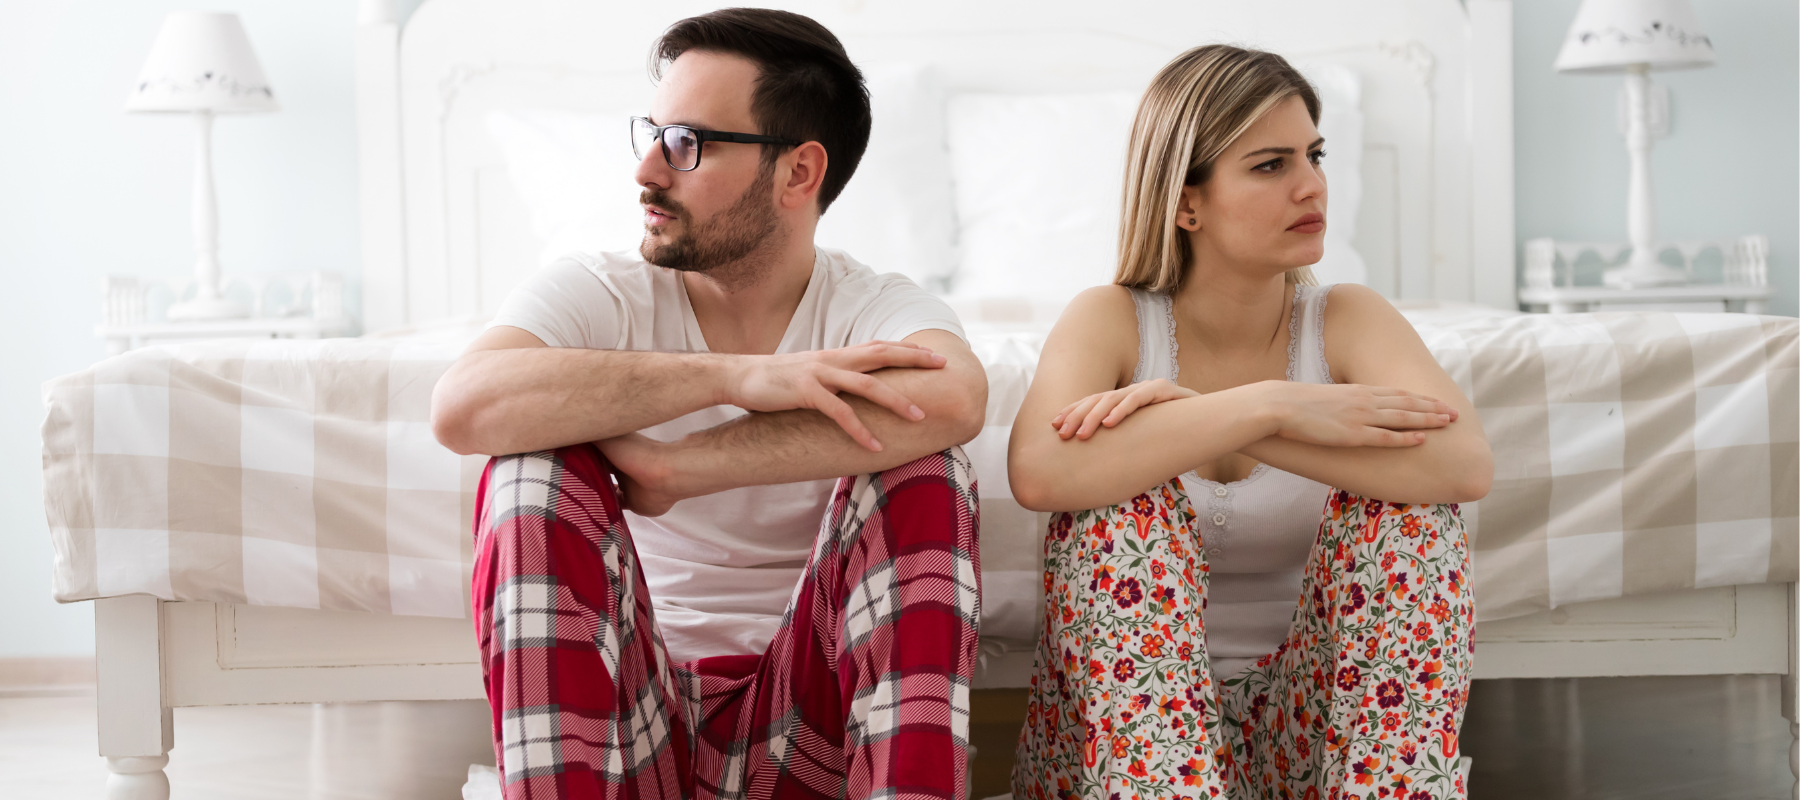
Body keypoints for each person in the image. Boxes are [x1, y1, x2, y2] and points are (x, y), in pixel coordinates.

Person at [429, 9, 988, 799]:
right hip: (627, 725)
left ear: (798, 173)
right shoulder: (597, 290)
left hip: (809, 729)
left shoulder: (873, 306)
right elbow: (462, 406)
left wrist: (679, 467)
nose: (647, 171)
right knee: (529, 471)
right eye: (651, 133)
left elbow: (956, 398)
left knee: (927, 464)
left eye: (687, 143)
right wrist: (732, 378)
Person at [1007, 45, 1492, 799]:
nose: (1312, 186)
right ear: (1186, 201)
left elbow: (1462, 467)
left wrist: (1217, 418)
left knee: (1410, 520)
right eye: (1271, 165)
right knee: (1114, 511)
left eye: (1315, 155)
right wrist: (1273, 403)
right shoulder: (1110, 320)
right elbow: (1041, 473)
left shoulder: (1348, 318)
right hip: (1125, 755)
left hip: (1312, 738)